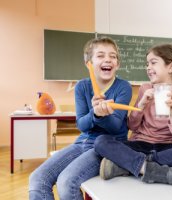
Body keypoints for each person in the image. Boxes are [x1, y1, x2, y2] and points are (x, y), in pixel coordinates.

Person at [29, 37, 132, 200]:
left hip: (108, 147)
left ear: (117, 64)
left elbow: (114, 127)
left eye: (113, 56)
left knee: (66, 183)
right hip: (82, 142)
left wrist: (101, 115)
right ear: (88, 63)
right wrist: (95, 114)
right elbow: (82, 125)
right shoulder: (82, 86)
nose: (108, 59)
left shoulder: (123, 87)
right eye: (100, 55)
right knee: (37, 180)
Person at [94, 44, 172, 191]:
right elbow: (132, 126)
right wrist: (142, 104)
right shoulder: (145, 89)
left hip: (166, 148)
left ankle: (130, 166)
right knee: (101, 141)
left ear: (170, 67)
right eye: (147, 64)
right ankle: (159, 172)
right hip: (140, 144)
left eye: (153, 62)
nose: (148, 67)